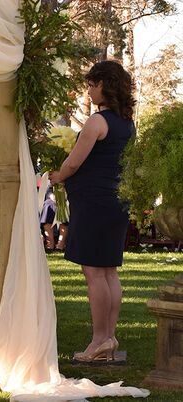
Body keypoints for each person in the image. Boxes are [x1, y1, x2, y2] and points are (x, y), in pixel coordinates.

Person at [49, 60, 136, 362]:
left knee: (94, 273)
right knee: (108, 271)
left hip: (94, 203)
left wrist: (57, 176)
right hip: (115, 201)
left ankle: (99, 340)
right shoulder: (127, 123)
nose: (89, 91)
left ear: (105, 86)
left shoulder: (97, 122)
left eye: (92, 85)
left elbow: (74, 162)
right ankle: (109, 337)